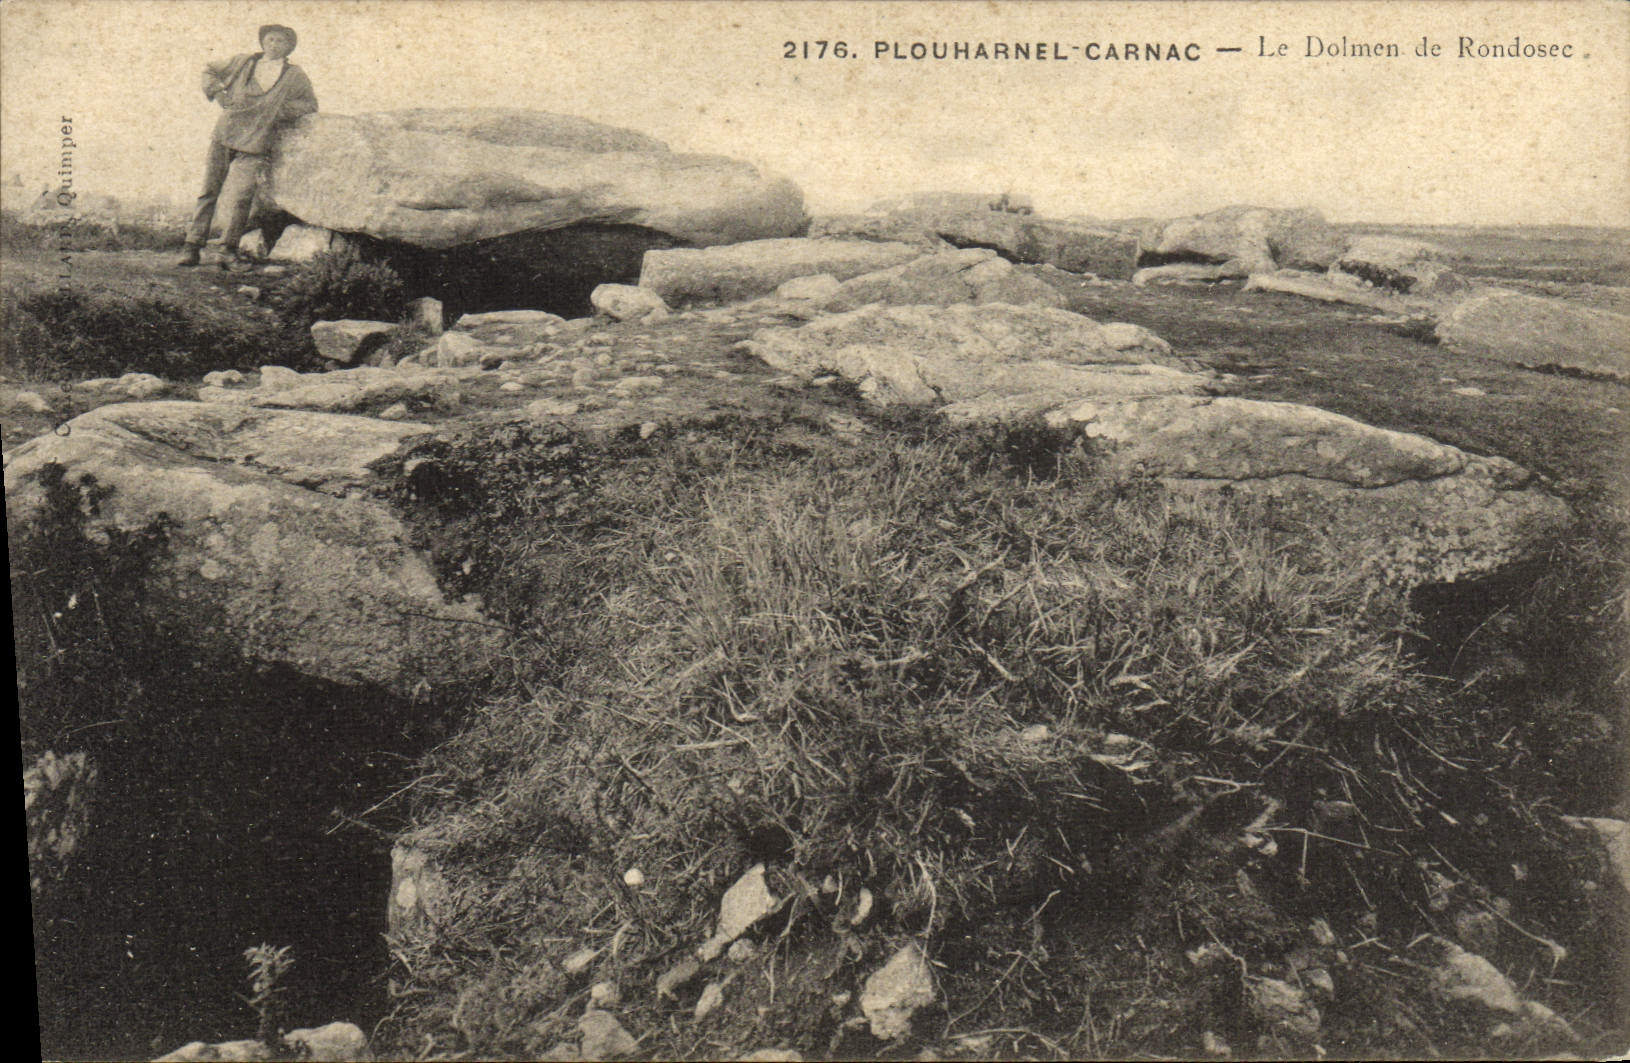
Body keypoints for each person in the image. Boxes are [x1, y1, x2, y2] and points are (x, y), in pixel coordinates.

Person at [176, 25, 317, 268]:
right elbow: (209, 70)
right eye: (270, 39)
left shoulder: (294, 75)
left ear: (288, 47)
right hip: (224, 134)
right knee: (209, 190)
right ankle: (192, 246)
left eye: (280, 41)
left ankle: (227, 251)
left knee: (241, 198)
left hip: (256, 142)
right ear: (263, 42)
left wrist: (279, 111)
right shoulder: (243, 62)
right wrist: (218, 93)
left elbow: (309, 104)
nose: (274, 44)